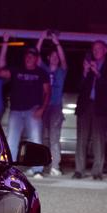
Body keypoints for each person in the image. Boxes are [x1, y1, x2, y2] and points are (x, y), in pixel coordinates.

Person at [74, 40, 107, 180]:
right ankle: (79, 170)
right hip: (85, 106)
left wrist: (97, 73)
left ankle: (97, 171)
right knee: (82, 139)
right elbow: (78, 87)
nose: (96, 51)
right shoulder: (88, 63)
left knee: (99, 139)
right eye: (94, 49)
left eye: (99, 49)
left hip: (101, 106)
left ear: (105, 50)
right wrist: (85, 72)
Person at [6, 46, 50, 177]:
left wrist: (42, 108)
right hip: (16, 111)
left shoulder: (41, 72)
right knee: (11, 140)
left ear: (36, 58)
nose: (29, 58)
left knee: (35, 140)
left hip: (33, 110)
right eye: (27, 55)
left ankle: (38, 170)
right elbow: (0, 72)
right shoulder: (16, 70)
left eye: (32, 56)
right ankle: (9, 169)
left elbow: (48, 92)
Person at [35, 30, 68, 175]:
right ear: (48, 57)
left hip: (55, 107)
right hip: (43, 106)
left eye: (57, 56)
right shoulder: (43, 69)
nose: (55, 58)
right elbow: (35, 57)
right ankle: (40, 166)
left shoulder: (61, 71)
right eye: (53, 56)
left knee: (54, 137)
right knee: (42, 138)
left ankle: (55, 167)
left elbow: (64, 60)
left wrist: (57, 43)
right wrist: (41, 39)